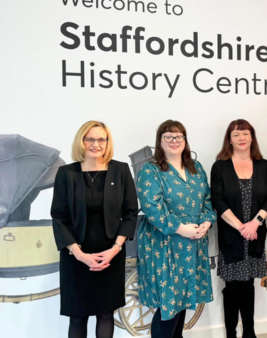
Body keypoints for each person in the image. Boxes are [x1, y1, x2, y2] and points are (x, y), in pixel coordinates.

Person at [51, 120, 138, 338]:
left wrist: (115, 249)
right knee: (78, 316)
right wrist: (79, 254)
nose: (95, 144)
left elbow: (130, 212)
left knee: (106, 314)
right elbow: (59, 217)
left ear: (107, 143)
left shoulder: (120, 170)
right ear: (81, 141)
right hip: (76, 255)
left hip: (111, 253)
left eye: (101, 139)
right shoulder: (66, 173)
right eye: (90, 138)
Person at [136, 120, 216, 338]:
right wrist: (182, 229)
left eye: (178, 136)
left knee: (181, 301)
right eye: (168, 137)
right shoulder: (150, 170)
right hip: (164, 242)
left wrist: (207, 222)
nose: (174, 141)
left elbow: (208, 200)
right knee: (168, 305)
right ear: (160, 141)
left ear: (185, 140)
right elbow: (152, 208)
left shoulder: (196, 167)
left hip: (193, 242)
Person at [211, 119, 267, 338]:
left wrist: (255, 223)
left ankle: (249, 332)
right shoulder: (220, 166)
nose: (241, 138)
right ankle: (231, 333)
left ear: (252, 137)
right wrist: (242, 227)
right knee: (231, 287)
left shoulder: (263, 165)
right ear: (229, 139)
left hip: (255, 235)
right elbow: (218, 201)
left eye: (245, 133)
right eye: (236, 134)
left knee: (248, 285)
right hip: (232, 236)